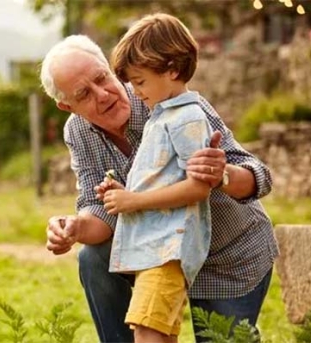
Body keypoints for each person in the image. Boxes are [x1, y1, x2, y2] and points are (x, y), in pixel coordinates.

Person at [39, 33, 279, 343]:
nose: (102, 94)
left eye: (102, 78)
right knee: (92, 257)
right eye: (84, 93)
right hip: (158, 254)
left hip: (225, 255)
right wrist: (74, 227)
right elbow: (101, 210)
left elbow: (260, 176)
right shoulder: (78, 131)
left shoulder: (172, 100)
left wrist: (222, 173)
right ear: (66, 106)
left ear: (110, 67)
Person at [98, 13, 214, 343]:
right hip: (154, 249)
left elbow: (199, 186)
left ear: (173, 69)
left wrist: (134, 201)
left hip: (169, 249)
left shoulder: (186, 118)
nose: (135, 93)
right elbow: (164, 180)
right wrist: (124, 192)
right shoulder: (161, 116)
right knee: (155, 331)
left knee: (148, 332)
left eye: (141, 81)